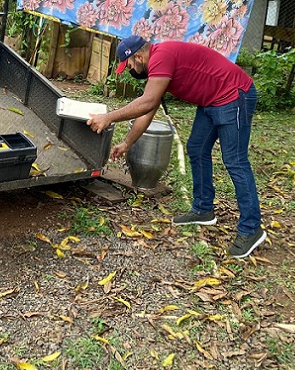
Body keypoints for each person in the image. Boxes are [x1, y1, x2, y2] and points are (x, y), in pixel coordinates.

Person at [87, 35, 266, 258]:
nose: (130, 69)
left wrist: (109, 117)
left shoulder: (162, 57)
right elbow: (147, 110)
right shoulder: (158, 68)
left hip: (234, 95)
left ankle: (251, 228)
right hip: (212, 100)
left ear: (140, 56)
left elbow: (148, 102)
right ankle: (203, 209)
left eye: (130, 64)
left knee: (235, 161)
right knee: (197, 149)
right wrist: (127, 143)